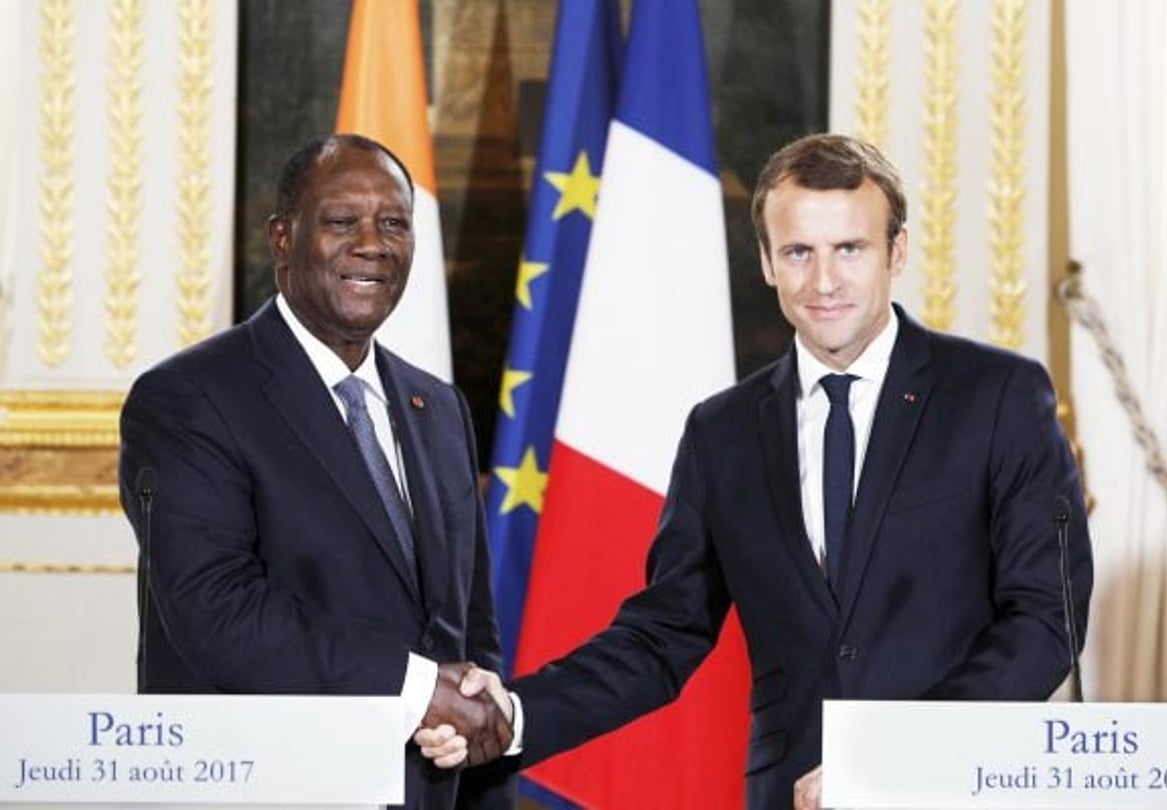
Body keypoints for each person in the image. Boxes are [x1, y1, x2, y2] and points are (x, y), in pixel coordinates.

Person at [415, 133, 1094, 809]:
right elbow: (661, 635)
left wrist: (895, 758)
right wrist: (512, 714)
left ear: (897, 251)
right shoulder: (722, 431)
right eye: (798, 252)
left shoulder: (998, 395)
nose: (822, 281)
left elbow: (1044, 618)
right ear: (767, 261)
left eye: (849, 250)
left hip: (957, 792)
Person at [119, 134, 514, 809]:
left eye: (394, 223)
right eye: (341, 222)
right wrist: (419, 687)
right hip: (266, 787)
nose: (372, 244)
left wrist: (480, 701)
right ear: (282, 238)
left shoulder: (437, 407)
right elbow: (216, 611)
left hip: (428, 787)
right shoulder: (191, 397)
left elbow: (467, 619)